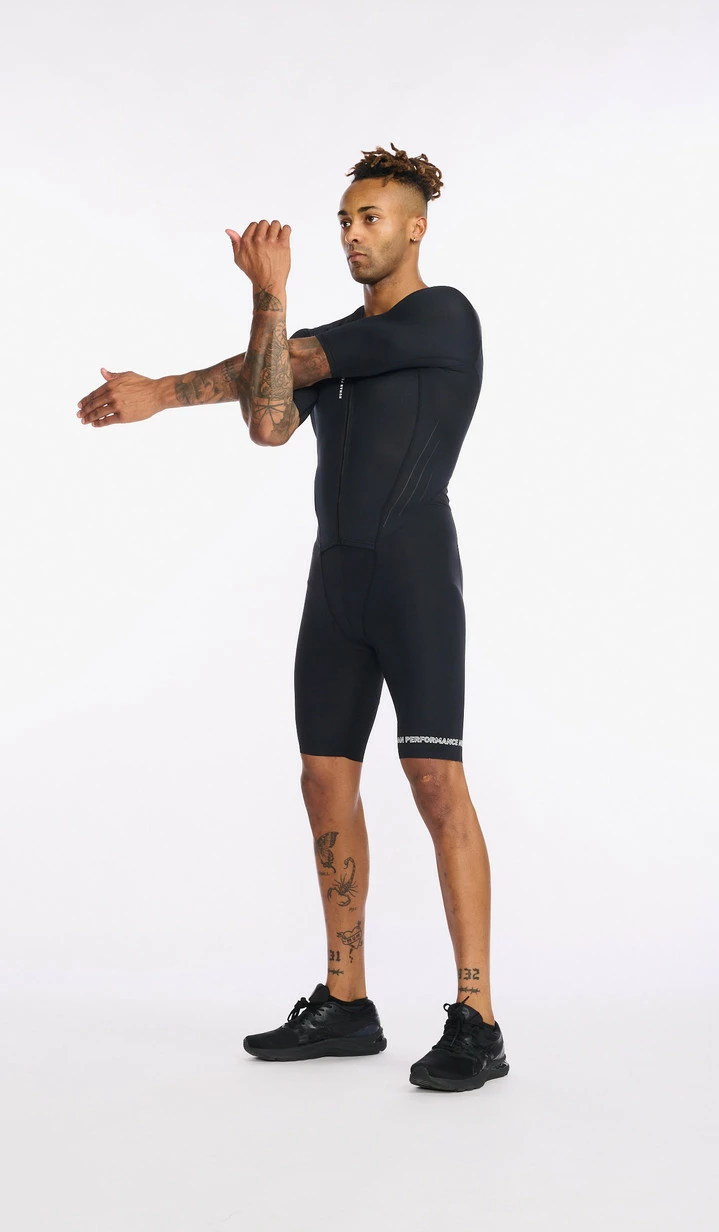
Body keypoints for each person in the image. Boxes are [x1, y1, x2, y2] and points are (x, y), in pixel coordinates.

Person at [76, 143, 509, 1093]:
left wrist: (171, 385)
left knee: (435, 784)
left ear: (414, 228)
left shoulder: (443, 316)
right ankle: (347, 1003)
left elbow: (299, 362)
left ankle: (476, 1018)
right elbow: (270, 419)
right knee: (323, 783)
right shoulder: (325, 336)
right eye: (344, 220)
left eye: (370, 218)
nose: (353, 234)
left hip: (414, 582)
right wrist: (262, 304)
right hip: (335, 587)